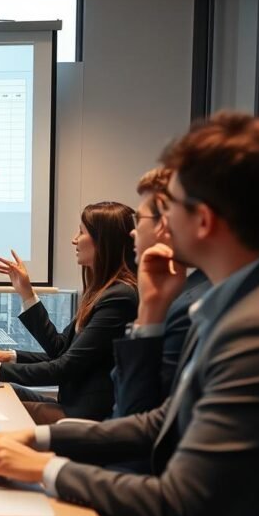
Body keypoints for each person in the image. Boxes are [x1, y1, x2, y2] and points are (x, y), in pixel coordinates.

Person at [0, 113, 259, 516]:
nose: (151, 225)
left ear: (202, 220)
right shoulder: (243, 296)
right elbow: (162, 421)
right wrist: (42, 438)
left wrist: (45, 469)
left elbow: (180, 505)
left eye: (171, 207)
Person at [0, 202, 139, 423]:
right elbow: (60, 348)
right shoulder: (102, 292)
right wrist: (7, 355)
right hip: (71, 405)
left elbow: (65, 367)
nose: (74, 239)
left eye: (82, 232)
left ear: (104, 241)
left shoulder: (119, 298)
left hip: (83, 417)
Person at [111, 167, 210, 417]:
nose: (132, 231)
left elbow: (136, 412)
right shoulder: (190, 287)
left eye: (138, 219)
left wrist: (149, 313)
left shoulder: (194, 304)